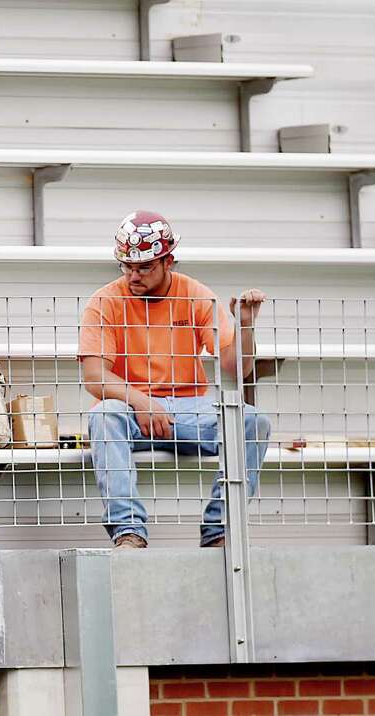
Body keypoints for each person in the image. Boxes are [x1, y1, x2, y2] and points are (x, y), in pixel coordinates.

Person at [78, 210, 271, 549]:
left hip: (189, 410)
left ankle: (220, 531)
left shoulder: (195, 294)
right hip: (130, 410)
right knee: (102, 415)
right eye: (127, 266)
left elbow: (235, 368)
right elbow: (95, 376)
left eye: (144, 267)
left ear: (168, 261)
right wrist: (141, 402)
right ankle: (129, 532)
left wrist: (245, 325)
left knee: (252, 421)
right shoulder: (104, 301)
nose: (133, 275)